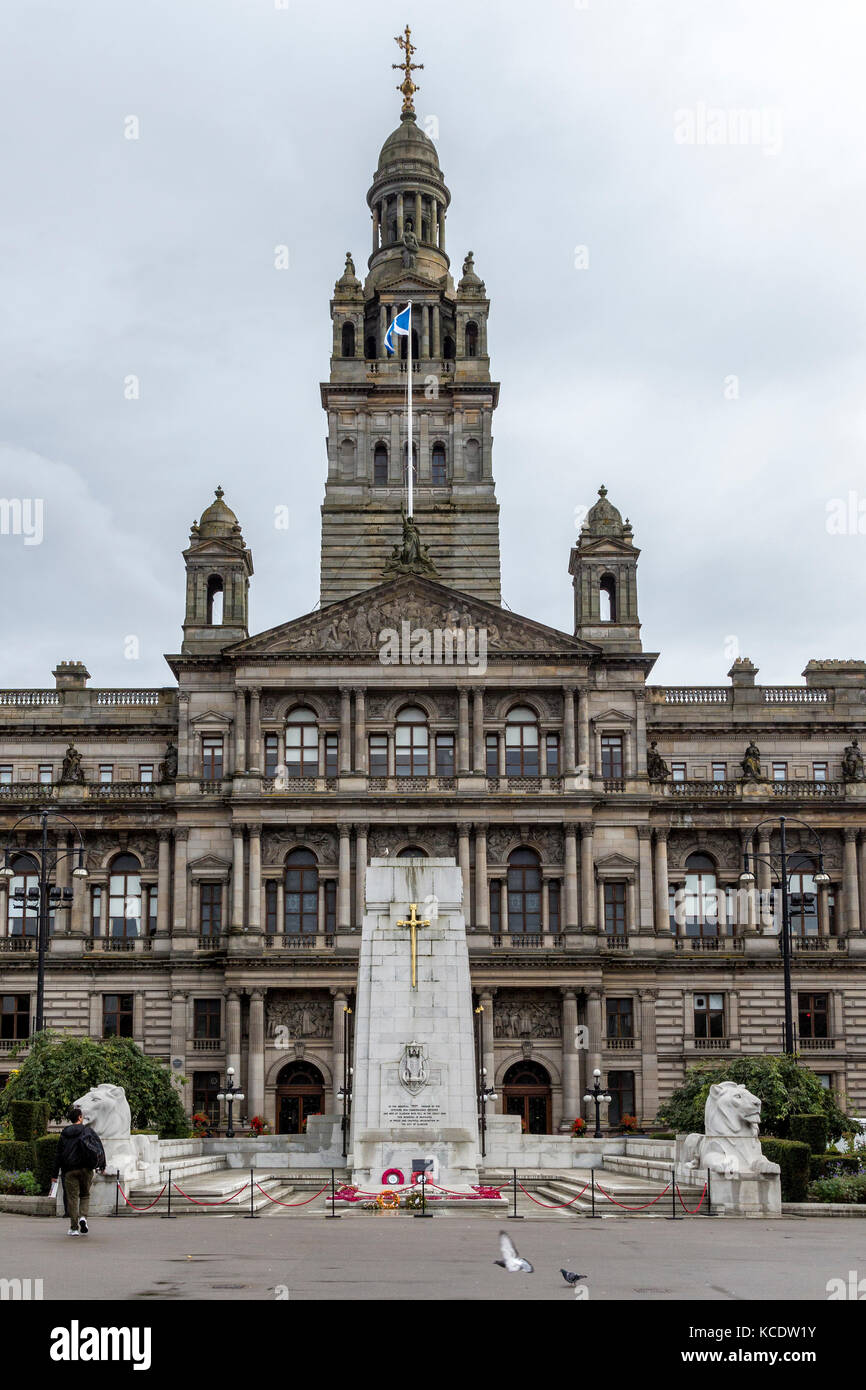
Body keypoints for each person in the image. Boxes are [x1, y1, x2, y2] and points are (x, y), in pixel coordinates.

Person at [52, 1104, 106, 1237]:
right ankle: (83, 1217)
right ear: (80, 1117)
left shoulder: (65, 1133)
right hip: (86, 1169)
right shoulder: (87, 1131)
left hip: (69, 1170)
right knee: (85, 1195)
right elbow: (99, 1147)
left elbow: (58, 1154)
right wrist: (102, 1166)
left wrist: (54, 1174)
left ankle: (74, 1227)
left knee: (72, 1198)